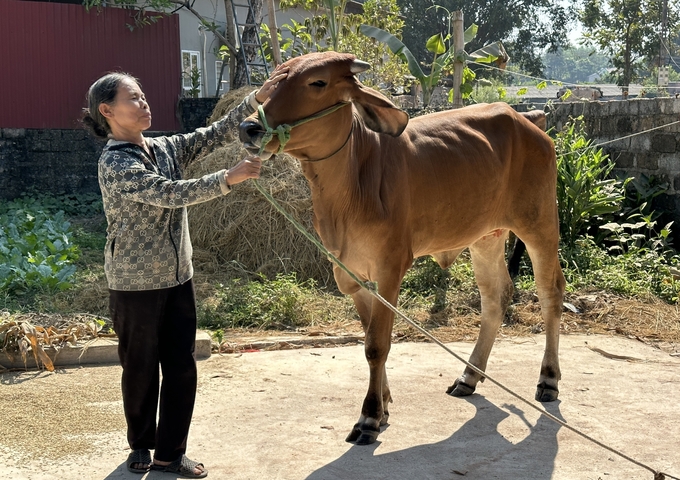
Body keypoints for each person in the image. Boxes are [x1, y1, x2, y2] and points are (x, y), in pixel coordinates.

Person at [82, 65, 288, 478]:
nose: (144, 103)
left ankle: (169, 454)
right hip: (135, 283)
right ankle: (141, 444)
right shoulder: (116, 163)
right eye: (133, 99)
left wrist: (257, 99)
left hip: (179, 277)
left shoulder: (164, 147)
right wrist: (227, 179)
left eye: (142, 96)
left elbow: (212, 133)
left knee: (180, 364)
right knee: (139, 367)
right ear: (107, 111)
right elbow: (167, 194)